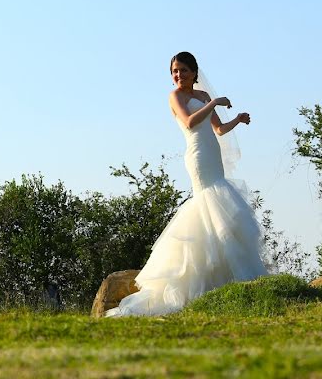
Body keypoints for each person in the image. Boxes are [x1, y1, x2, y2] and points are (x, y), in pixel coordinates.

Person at [105, 52, 268, 317]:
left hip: (212, 153)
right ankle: (194, 284)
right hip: (198, 157)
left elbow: (217, 129)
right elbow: (191, 122)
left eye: (182, 70)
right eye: (174, 72)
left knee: (221, 207)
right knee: (208, 203)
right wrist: (214, 101)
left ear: (194, 72)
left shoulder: (202, 97)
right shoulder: (175, 97)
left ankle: (228, 281)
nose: (178, 75)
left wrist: (237, 119)